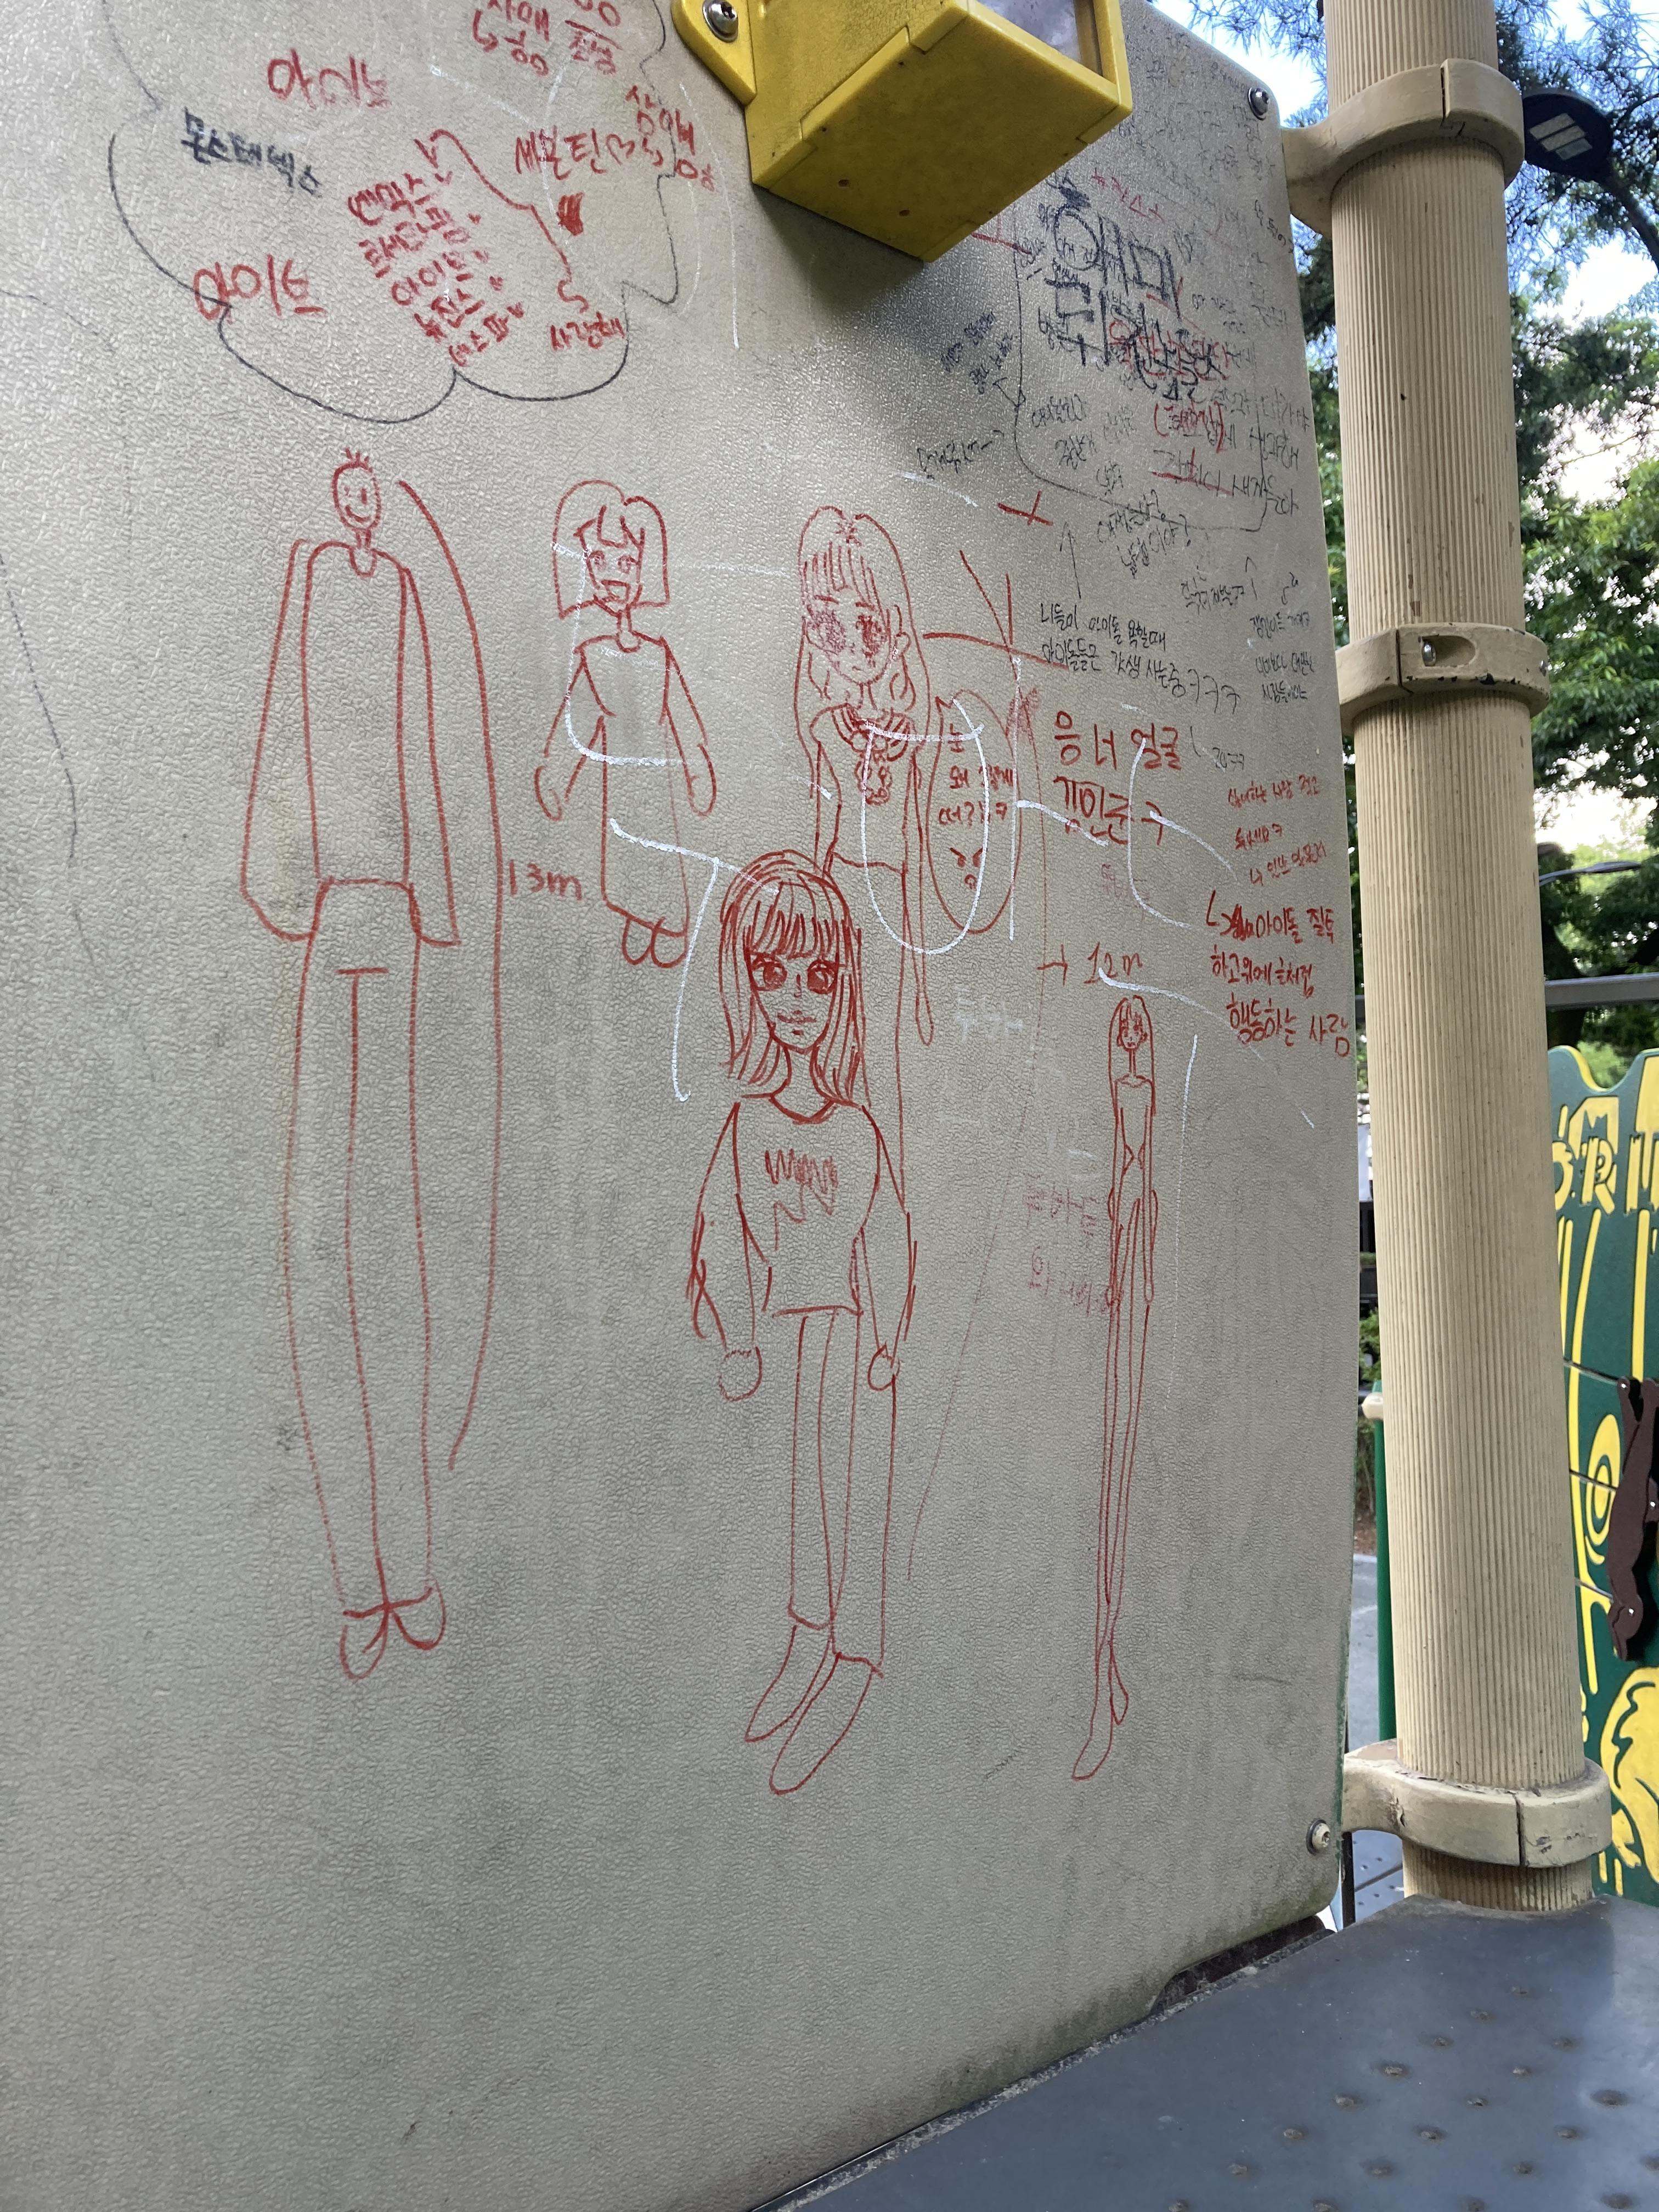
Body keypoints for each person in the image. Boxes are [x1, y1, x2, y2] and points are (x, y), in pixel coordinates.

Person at [243, 452, 457, 1679]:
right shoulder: (314, 579)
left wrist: (431, 891)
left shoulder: (406, 595)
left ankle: (411, 1567)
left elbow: (417, 733)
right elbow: (287, 712)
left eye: (377, 484)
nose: (364, 500)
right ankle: (359, 1581)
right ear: (338, 500)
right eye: (352, 484)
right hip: (330, 905)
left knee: (392, 1231)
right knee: (322, 1236)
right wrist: (280, 883)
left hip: (389, 908)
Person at [689, 853, 915, 1794]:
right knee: (799, 1499)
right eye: (770, 971)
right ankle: (806, 1635)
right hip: (783, 1335)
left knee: (846, 1489)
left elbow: (887, 1233)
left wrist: (888, 1335)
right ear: (743, 980)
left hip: (847, 1335)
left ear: (842, 987)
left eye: (818, 976)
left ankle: (848, 1655)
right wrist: (740, 1334)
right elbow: (718, 1231)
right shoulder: (748, 1125)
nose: (794, 997)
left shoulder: (855, 1129)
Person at [793, 507, 934, 1178]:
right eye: (832, 628)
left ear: (896, 634)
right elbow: (823, 833)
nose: (852, 646)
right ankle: (846, 1178)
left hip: (892, 901)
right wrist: (814, 927)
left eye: (868, 626)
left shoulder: (911, 739)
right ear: (813, 636)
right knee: (839, 1048)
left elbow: (915, 840)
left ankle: (888, 1177)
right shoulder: (827, 730)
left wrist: (925, 979)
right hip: (842, 893)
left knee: (887, 1049)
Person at [535, 479, 714, 967]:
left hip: (656, 773)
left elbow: (683, 719)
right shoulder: (592, 655)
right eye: (599, 560)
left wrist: (697, 770)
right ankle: (639, 916)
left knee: (661, 848)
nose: (614, 573)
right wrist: (556, 777)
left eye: (627, 562)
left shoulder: (658, 654)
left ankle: (664, 919)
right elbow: (575, 723)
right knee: (627, 850)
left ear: (643, 571)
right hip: (621, 777)